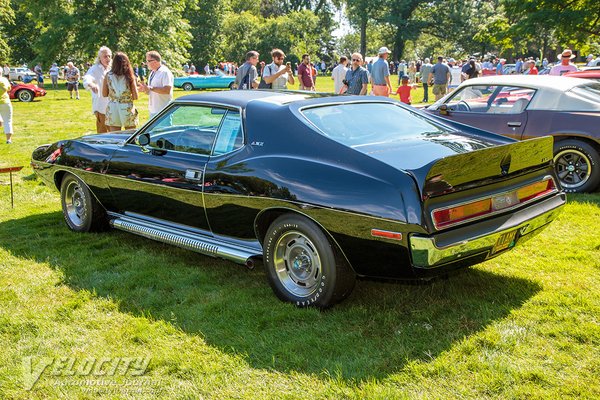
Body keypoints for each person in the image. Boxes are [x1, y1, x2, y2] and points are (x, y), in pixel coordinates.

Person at [102, 52, 138, 131]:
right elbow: (135, 96)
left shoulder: (108, 75)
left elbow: (104, 94)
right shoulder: (130, 76)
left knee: (114, 135)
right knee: (130, 134)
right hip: (127, 106)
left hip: (113, 107)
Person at [83, 46, 112, 133]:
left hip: (112, 104)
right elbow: (87, 78)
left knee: (113, 130)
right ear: (99, 58)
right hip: (101, 105)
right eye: (105, 56)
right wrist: (91, 84)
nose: (108, 58)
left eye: (109, 56)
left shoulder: (111, 69)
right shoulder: (94, 69)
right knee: (102, 130)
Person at [138, 51, 174, 118]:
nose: (146, 63)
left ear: (155, 61)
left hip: (163, 111)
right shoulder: (152, 73)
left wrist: (151, 88)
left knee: (163, 129)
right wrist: (145, 89)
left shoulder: (165, 72)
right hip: (153, 110)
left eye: (148, 61)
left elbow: (167, 90)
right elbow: (150, 91)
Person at [0, 75, 13, 143]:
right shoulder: (4, 79)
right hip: (5, 102)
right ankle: (8, 140)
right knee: (8, 121)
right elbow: (9, 88)